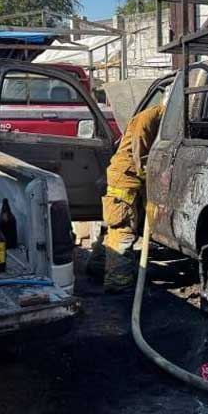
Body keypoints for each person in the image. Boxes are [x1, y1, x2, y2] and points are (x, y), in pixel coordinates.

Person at [89, 103, 166, 292]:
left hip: (128, 179)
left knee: (114, 229)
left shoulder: (156, 117)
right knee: (122, 229)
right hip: (125, 180)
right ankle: (118, 282)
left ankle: (98, 266)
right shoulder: (148, 119)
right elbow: (142, 156)